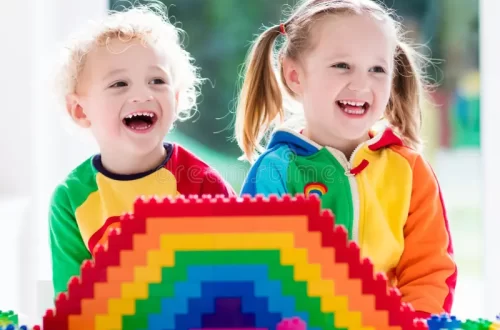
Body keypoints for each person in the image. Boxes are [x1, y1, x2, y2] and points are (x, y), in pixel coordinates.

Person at [234, 0, 456, 317]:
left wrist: (415, 324)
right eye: (342, 66)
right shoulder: (276, 171)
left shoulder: (410, 170)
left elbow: (430, 271)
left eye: (377, 69)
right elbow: (257, 271)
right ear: (295, 75)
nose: (361, 84)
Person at [49, 1, 235, 297]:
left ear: (176, 98)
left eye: (157, 80)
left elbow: (236, 275)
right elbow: (71, 302)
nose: (141, 94)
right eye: (119, 83)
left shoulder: (202, 183)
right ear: (81, 111)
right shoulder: (71, 200)